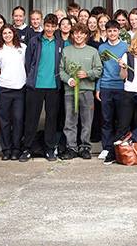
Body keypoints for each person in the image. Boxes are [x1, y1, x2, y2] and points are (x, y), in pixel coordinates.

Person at [20, 13, 63, 162]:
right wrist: (32, 77)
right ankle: (27, 148)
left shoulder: (60, 42)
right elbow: (29, 61)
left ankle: (50, 149)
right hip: (36, 85)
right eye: (48, 26)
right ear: (44, 25)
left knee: (51, 119)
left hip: (53, 86)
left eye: (53, 26)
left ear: (56, 27)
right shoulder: (34, 41)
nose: (50, 29)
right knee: (32, 118)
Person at [60, 23, 102, 159]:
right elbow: (61, 70)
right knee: (70, 121)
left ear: (85, 35)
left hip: (87, 91)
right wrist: (68, 80)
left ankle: (85, 147)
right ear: (72, 35)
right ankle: (71, 147)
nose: (78, 36)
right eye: (76, 33)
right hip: (70, 91)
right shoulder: (67, 51)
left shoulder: (92, 52)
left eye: (81, 33)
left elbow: (98, 70)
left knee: (87, 120)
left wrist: (87, 74)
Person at [0, 25, 27, 161]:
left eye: (9, 33)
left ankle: (16, 149)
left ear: (14, 34)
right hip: (3, 90)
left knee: (18, 119)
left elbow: (27, 67)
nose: (7, 35)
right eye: (4, 33)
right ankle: (6, 149)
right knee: (4, 121)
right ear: (1, 36)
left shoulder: (23, 48)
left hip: (19, 89)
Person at [97, 20, 130, 161]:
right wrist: (98, 88)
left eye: (114, 31)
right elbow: (99, 69)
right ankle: (106, 148)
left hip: (121, 87)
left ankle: (122, 145)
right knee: (106, 119)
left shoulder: (126, 47)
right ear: (106, 32)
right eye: (109, 31)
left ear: (119, 31)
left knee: (123, 119)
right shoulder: (101, 48)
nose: (112, 33)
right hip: (106, 86)